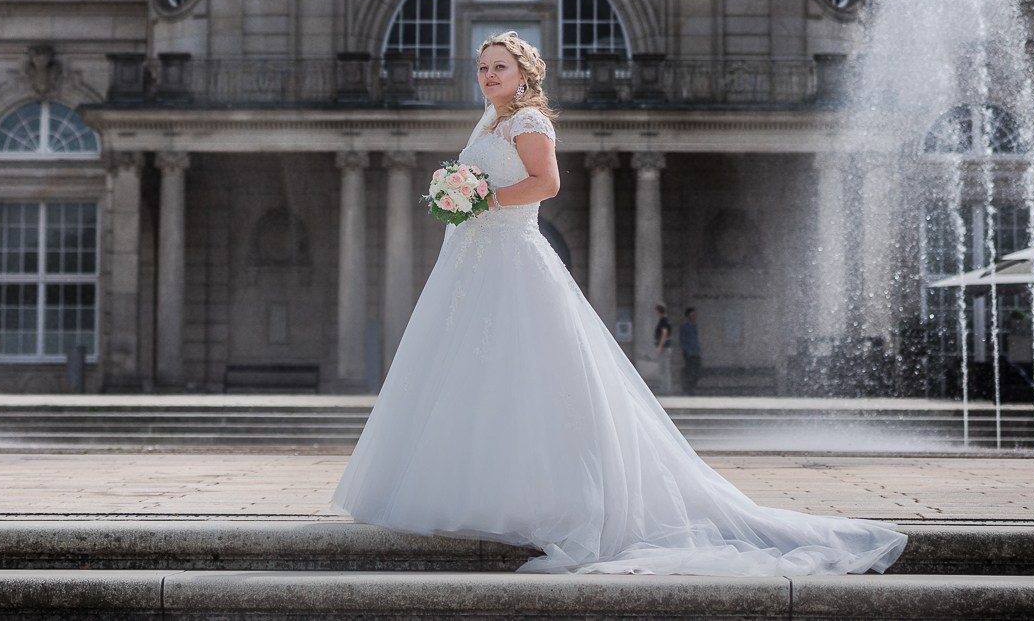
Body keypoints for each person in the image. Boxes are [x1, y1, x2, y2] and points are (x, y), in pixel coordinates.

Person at [332, 32, 906, 576]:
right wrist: (457, 196)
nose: (487, 75)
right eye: (482, 67)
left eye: (498, 67)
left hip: (513, 253)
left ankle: (542, 498)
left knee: (529, 369)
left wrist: (481, 198)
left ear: (524, 73)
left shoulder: (529, 120)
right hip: (474, 258)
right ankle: (466, 487)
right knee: (471, 369)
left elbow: (547, 183)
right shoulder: (490, 119)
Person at [679, 307, 704, 395]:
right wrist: (687, 351)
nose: (694, 317)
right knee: (690, 371)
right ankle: (688, 388)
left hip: (696, 352)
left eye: (695, 315)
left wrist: (698, 349)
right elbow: (682, 340)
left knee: (697, 371)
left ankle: (692, 386)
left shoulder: (695, 326)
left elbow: (696, 339)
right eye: (692, 315)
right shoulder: (684, 327)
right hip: (689, 353)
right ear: (688, 316)